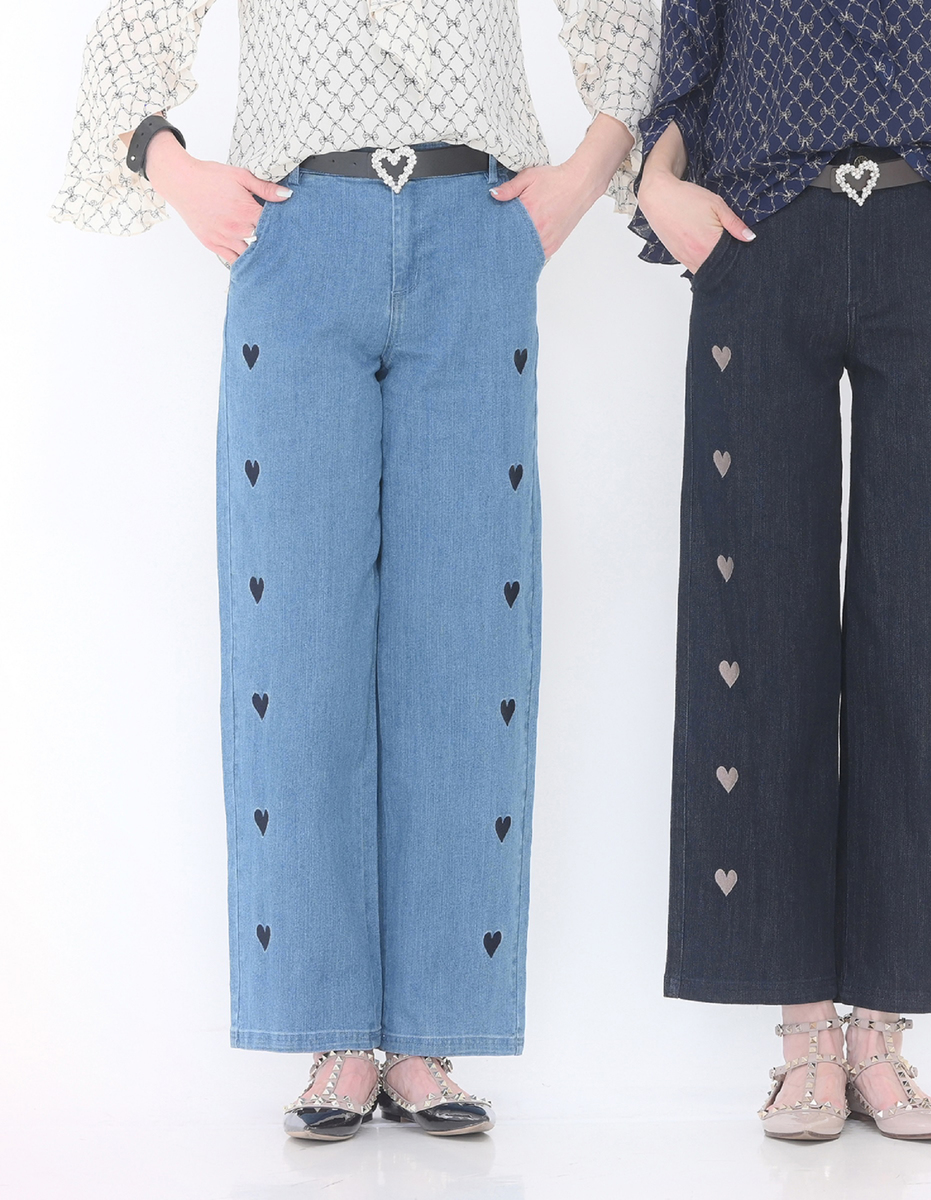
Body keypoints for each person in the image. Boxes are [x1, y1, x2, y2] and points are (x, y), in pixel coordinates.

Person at [54, 0, 658, 1140]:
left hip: (477, 226)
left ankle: (430, 1037)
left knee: (466, 633)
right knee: (297, 635)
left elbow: (627, 19)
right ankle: (332, 1034)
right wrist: (170, 165)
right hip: (296, 234)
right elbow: (137, 23)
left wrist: (584, 176)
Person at [632, 0, 931, 1140]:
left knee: (930, 628)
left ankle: (881, 1036)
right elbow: (687, 56)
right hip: (758, 230)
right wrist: (658, 180)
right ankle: (803, 1042)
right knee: (755, 627)